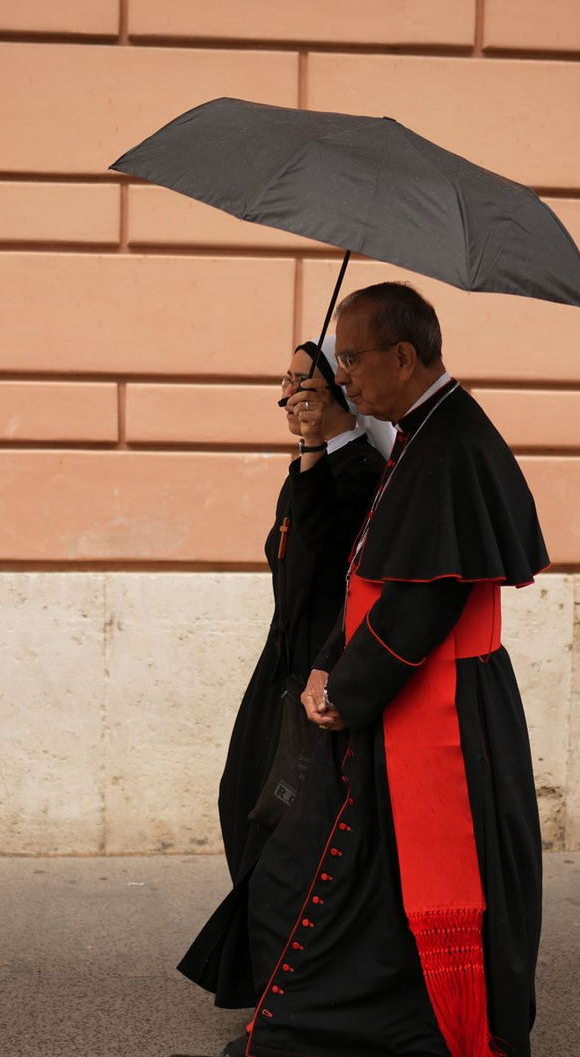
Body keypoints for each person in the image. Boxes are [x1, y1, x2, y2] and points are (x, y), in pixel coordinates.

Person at [165, 283, 549, 1057]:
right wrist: (333, 662)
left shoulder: (450, 446)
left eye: (354, 359)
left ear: (403, 357)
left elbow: (423, 604)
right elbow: (371, 578)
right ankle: (373, 1056)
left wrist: (345, 688)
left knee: (347, 872)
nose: (345, 374)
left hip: (438, 710)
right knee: (360, 885)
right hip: (412, 694)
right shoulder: (426, 435)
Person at [175, 337, 386, 1009]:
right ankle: (271, 979)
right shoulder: (313, 464)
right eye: (285, 385)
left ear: (339, 393)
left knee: (286, 834)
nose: (290, 398)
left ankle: (284, 991)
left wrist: (316, 446)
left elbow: (328, 546)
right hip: (281, 666)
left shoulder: (359, 470)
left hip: (319, 675)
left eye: (304, 384)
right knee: (245, 802)